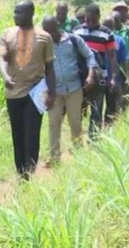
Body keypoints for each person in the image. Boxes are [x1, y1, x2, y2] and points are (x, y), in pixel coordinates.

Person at [0, 0, 56, 180]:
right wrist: (5, 75)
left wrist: (52, 93)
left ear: (31, 13)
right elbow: (2, 58)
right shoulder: (7, 34)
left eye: (19, 12)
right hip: (13, 93)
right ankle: (20, 171)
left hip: (35, 92)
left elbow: (50, 68)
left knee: (31, 133)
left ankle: (28, 172)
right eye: (14, 12)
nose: (15, 16)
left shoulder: (44, 37)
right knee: (18, 134)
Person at [42, 16, 97, 167]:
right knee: (54, 123)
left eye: (51, 30)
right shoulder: (44, 44)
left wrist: (91, 74)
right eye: (45, 31)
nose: (49, 34)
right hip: (54, 90)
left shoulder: (73, 40)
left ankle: (78, 153)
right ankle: (54, 158)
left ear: (58, 26)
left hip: (74, 88)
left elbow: (89, 55)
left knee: (75, 123)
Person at [73, 3, 118, 142]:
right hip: (79, 76)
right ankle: (77, 139)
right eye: (88, 20)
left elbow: (111, 57)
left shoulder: (107, 33)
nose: (91, 23)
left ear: (99, 17)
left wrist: (113, 78)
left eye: (94, 20)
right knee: (77, 109)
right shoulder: (77, 31)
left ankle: (94, 140)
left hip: (100, 77)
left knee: (96, 109)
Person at [102, 17, 129, 125]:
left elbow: (124, 61)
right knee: (105, 105)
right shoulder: (98, 39)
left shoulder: (118, 40)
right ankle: (103, 126)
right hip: (106, 78)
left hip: (109, 78)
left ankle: (105, 127)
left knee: (107, 105)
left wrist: (126, 77)